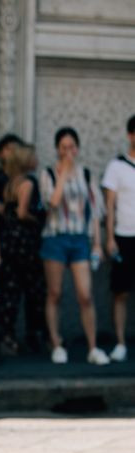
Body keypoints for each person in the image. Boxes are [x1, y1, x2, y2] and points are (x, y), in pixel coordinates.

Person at [39, 126, 109, 365]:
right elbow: (52, 204)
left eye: (72, 146)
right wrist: (63, 174)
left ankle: (93, 347)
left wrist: (97, 244)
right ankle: (56, 343)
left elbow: (96, 213)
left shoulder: (87, 174)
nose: (68, 151)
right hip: (55, 237)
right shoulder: (48, 174)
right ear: (57, 150)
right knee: (55, 293)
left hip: (80, 239)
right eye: (63, 147)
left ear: (77, 148)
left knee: (85, 295)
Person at [0, 143, 46, 354]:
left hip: (8, 241)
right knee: (33, 290)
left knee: (10, 291)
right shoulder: (28, 182)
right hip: (25, 243)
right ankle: (34, 336)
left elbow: (4, 210)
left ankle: (7, 336)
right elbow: (22, 212)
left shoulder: (10, 183)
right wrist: (40, 218)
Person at [102, 114, 135, 362]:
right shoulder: (117, 167)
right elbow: (109, 205)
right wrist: (110, 237)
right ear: (130, 135)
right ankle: (121, 342)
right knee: (120, 292)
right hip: (124, 236)